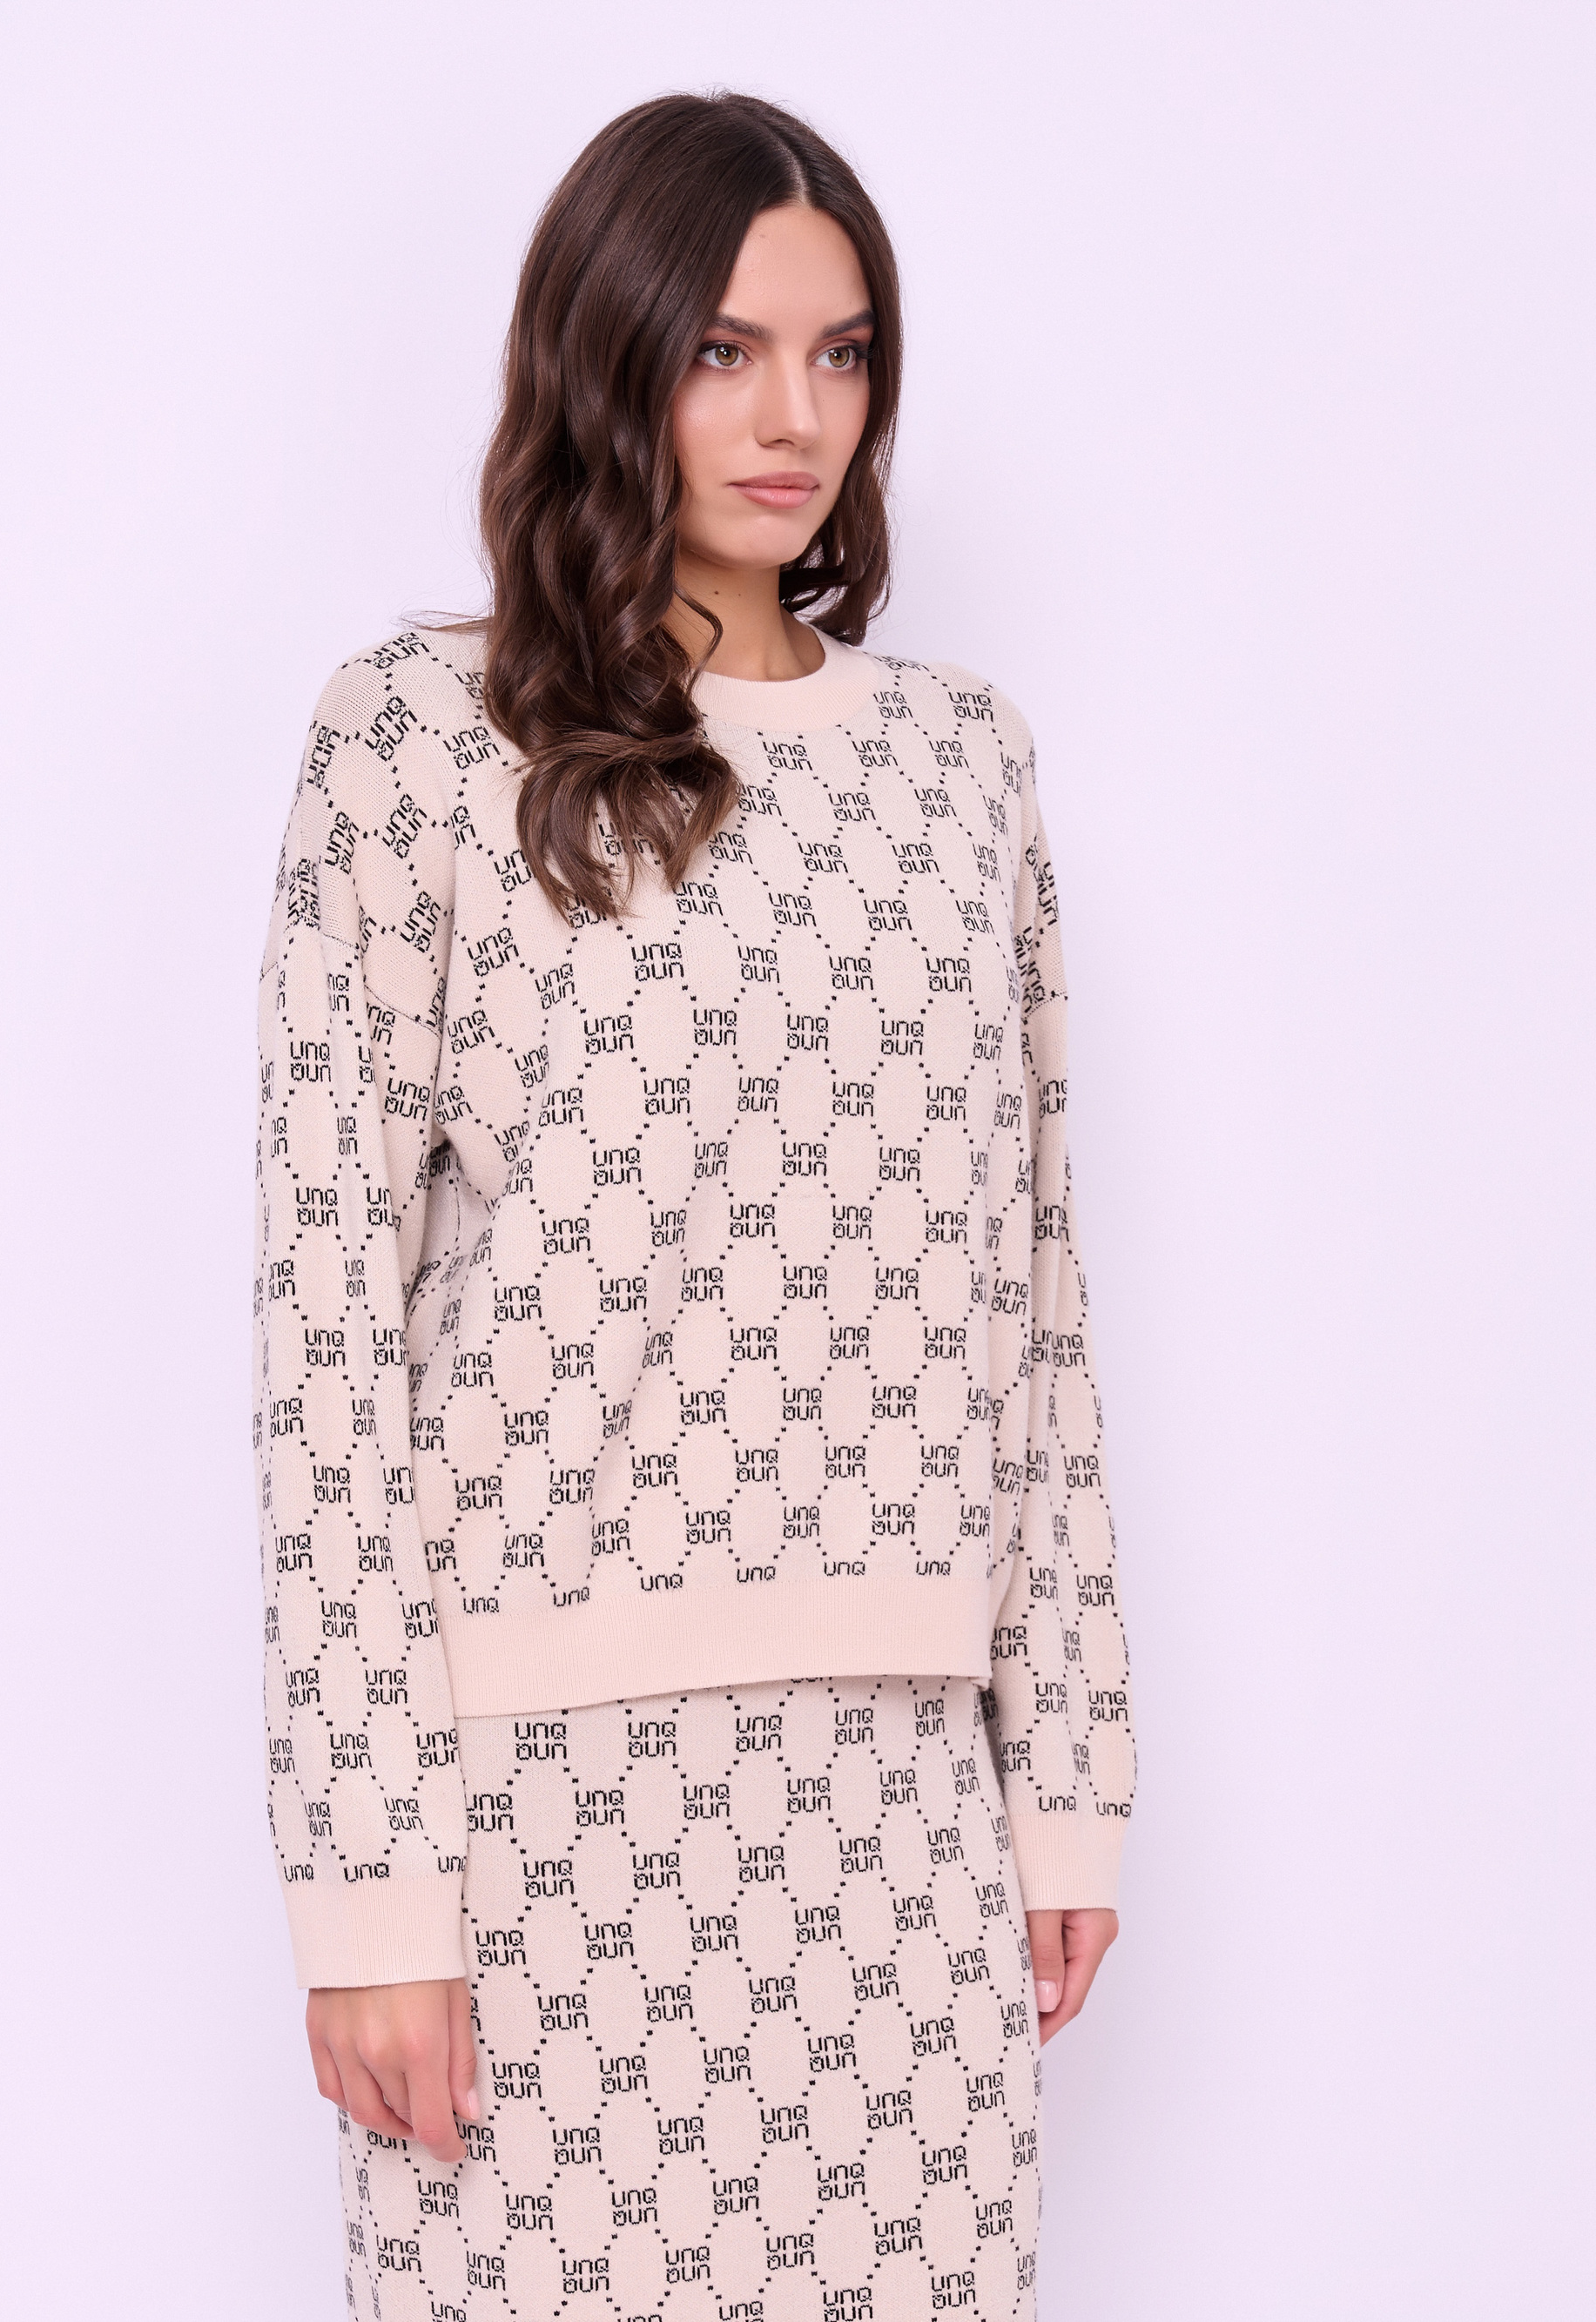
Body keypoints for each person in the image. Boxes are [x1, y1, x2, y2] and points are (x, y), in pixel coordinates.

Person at [252, 88, 1135, 2321]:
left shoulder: (964, 763)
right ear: (608, 352)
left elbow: (1034, 1293)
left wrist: (1068, 1772)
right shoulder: (415, 741)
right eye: (725, 349)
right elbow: (321, 1342)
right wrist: (369, 1888)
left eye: (841, 355)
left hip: (898, 1810)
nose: (793, 417)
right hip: (539, 1824)